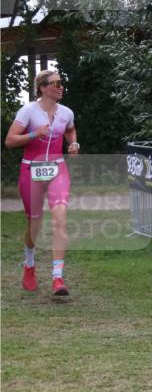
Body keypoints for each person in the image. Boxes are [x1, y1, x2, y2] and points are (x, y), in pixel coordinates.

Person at [4, 69, 80, 296]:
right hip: (31, 170)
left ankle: (58, 278)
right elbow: (9, 141)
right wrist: (33, 134)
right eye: (56, 83)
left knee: (60, 219)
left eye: (61, 83)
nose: (61, 87)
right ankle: (29, 263)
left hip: (58, 169)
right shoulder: (28, 111)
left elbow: (70, 129)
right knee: (34, 224)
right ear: (43, 88)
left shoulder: (66, 112)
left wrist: (73, 144)